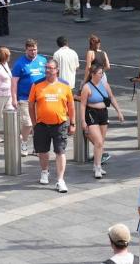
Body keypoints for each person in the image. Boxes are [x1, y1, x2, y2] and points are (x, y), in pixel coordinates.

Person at [28, 59, 75, 193]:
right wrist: (34, 123)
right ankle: (44, 171)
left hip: (60, 124)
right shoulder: (37, 85)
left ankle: (60, 180)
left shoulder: (65, 85)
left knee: (60, 151)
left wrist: (72, 123)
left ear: (57, 70)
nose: (48, 70)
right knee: (42, 151)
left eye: (51, 68)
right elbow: (31, 105)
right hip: (42, 124)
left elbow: (71, 106)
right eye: (46, 68)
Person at [79, 64, 124, 179]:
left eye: (102, 73)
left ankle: (96, 164)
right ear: (93, 74)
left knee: (101, 143)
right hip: (91, 113)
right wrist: (83, 121)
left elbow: (112, 97)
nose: (102, 75)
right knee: (98, 141)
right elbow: (83, 105)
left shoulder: (104, 84)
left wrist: (119, 111)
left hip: (103, 113)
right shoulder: (87, 87)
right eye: (100, 73)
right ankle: (98, 167)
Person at [11, 39, 47, 157]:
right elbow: (14, 82)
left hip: (40, 98)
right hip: (25, 98)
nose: (33, 52)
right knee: (27, 123)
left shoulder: (43, 60)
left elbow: (48, 78)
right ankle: (24, 142)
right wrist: (14, 98)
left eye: (35, 49)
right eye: (31, 50)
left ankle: (37, 146)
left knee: (39, 124)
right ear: (26, 50)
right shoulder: (19, 63)